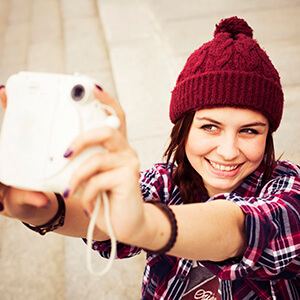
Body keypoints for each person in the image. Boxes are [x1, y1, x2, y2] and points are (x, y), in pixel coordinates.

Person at [0, 16, 299, 300]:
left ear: (267, 135)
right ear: (183, 129)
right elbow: (106, 219)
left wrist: (143, 224)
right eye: (210, 127)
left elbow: (239, 227)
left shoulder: (289, 190)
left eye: (249, 131)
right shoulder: (164, 183)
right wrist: (40, 210)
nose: (229, 150)